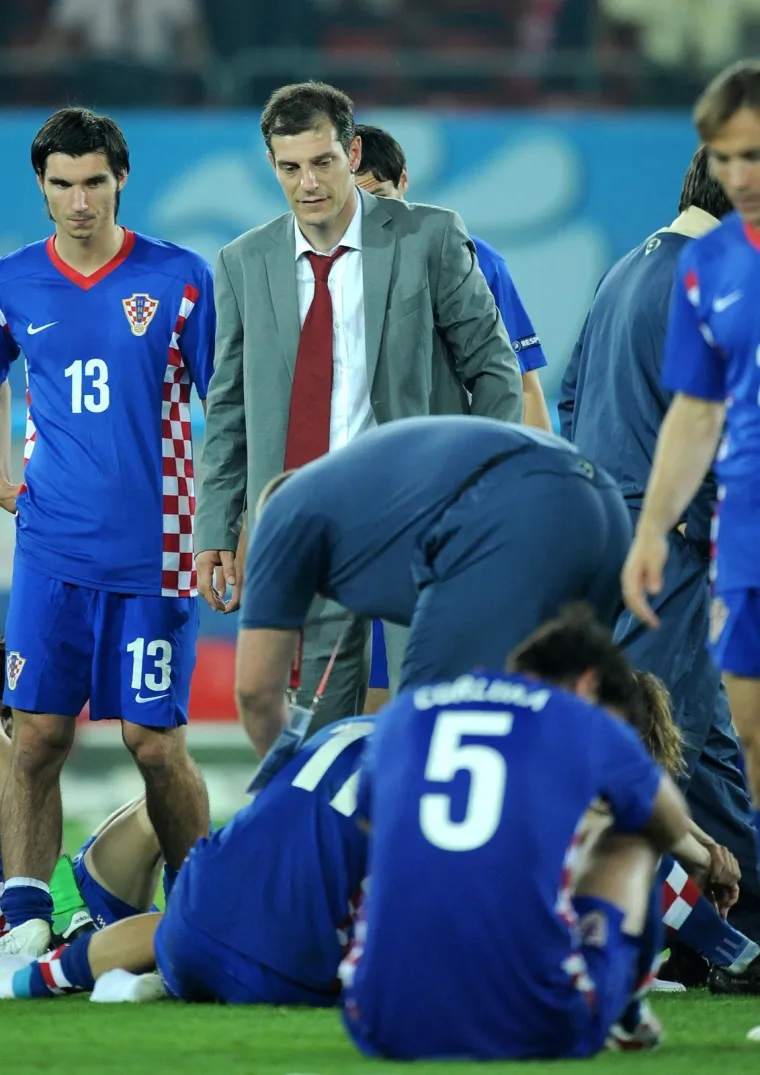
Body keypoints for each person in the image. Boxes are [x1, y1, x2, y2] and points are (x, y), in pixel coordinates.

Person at [194, 80, 524, 729]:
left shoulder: (427, 236)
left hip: (418, 516)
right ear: (272, 164)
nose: (308, 182)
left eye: (322, 162)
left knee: (431, 713)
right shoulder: (243, 262)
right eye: (290, 167)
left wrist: (472, 491)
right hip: (307, 524)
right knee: (315, 730)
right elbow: (228, 406)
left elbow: (494, 369)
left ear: (352, 150)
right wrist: (215, 530)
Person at [0, 106, 213, 958]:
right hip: (52, 548)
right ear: (42, 189)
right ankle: (23, 921)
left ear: (120, 178)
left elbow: (223, 405)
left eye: (94, 181)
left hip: (154, 552)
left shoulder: (178, 276)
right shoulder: (14, 281)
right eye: (62, 184)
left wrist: (223, 520)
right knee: (37, 735)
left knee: (154, 743)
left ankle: (202, 909)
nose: (79, 200)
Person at [339, 606, 721, 1061]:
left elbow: (369, 823)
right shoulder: (582, 719)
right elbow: (668, 821)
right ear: (588, 684)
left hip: (377, 1017)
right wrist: (703, 858)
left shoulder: (409, 710)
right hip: (537, 1021)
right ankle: (627, 1003)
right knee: (630, 834)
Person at [559, 145, 760, 946]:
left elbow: (573, 399)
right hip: (672, 549)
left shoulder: (625, 269)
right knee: (645, 746)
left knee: (705, 747)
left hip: (612, 529)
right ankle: (625, 931)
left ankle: (742, 919)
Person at [235, 415, 631, 759]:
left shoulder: (284, 515)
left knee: (423, 740)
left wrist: (289, 788)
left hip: (512, 513)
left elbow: (256, 693)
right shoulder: (362, 492)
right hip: (604, 502)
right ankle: (667, 831)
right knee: (571, 722)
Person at [622, 59, 760, 895]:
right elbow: (695, 412)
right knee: (747, 746)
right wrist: (647, 529)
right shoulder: (709, 270)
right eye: (726, 158)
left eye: (753, 155)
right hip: (739, 542)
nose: (739, 176)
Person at [0, 715, 374, 1004]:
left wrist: (64, 910)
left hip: (56, 906)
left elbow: (31, 799)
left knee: (162, 808)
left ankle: (183, 913)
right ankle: (160, 945)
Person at [354, 123, 553, 432]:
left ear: (403, 180)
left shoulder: (474, 260)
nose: (371, 214)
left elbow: (522, 382)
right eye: (358, 202)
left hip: (443, 458)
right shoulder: (321, 270)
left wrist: (537, 476)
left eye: (381, 196)